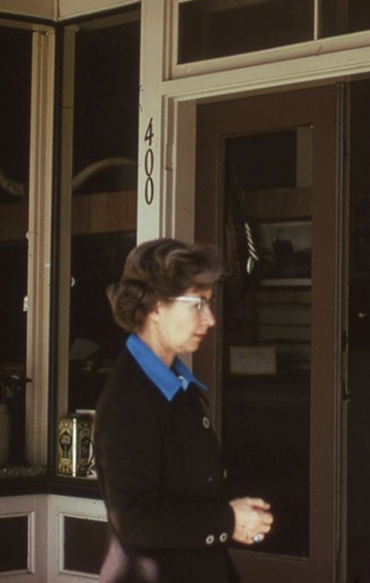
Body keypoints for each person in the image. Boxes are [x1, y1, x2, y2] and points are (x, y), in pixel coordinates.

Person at [94, 238, 273, 583]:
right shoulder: (129, 400)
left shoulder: (175, 385)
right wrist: (229, 521)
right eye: (198, 303)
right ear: (155, 307)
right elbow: (136, 520)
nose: (210, 319)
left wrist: (233, 518)